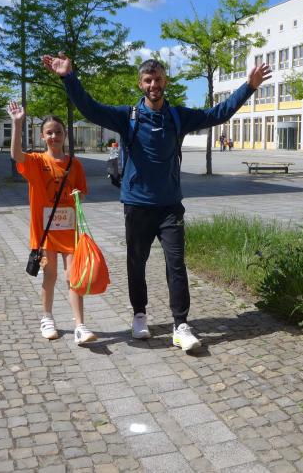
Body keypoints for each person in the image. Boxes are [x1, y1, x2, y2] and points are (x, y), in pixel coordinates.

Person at [42, 53, 271, 352]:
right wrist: (68, 77)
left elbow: (218, 113)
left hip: (170, 206)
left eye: (158, 79)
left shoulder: (177, 116)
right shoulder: (127, 117)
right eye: (148, 80)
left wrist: (249, 87)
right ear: (140, 84)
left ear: (165, 82)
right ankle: (139, 315)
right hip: (137, 205)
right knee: (136, 263)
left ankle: (180, 325)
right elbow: (90, 107)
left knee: (176, 264)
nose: (154, 85)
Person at [7, 101, 97, 345]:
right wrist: (17, 124)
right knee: (50, 275)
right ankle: (47, 318)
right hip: (45, 233)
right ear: (42, 136)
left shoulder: (75, 164)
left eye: (58, 132)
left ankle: (80, 326)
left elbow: (82, 193)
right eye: (49, 132)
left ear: (65, 135)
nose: (54, 136)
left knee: (73, 276)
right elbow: (16, 155)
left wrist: (77, 195)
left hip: (69, 232)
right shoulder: (36, 161)